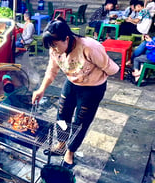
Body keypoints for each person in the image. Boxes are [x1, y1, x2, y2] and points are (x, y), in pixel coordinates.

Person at [32, 17, 119, 169]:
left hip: (92, 89)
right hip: (71, 83)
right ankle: (61, 144)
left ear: (67, 38)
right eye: (50, 46)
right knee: (62, 115)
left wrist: (92, 76)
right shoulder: (54, 49)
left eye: (55, 45)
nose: (53, 50)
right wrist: (41, 89)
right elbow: (51, 70)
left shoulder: (89, 47)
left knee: (80, 123)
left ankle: (70, 152)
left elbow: (111, 68)